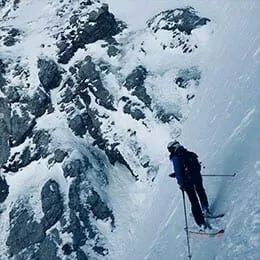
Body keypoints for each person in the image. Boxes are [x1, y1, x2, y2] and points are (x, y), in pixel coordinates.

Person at [167, 140, 210, 231]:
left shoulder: (175, 157)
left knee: (193, 200)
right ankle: (205, 208)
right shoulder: (187, 152)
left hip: (187, 182)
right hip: (196, 176)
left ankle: (200, 222)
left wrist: (180, 183)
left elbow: (179, 171)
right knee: (200, 191)